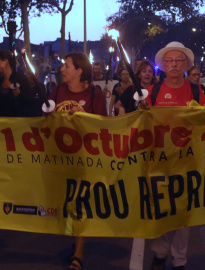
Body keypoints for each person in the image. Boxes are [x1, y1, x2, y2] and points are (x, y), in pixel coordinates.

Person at [141, 41, 205, 270]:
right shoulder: (152, 92)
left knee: (184, 213)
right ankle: (160, 253)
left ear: (186, 64)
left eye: (178, 60)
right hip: (159, 162)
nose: (174, 64)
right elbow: (141, 124)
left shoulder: (196, 90)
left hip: (187, 161)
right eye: (169, 60)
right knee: (158, 208)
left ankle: (179, 259)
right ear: (162, 65)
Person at [49, 51, 107, 270]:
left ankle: (78, 253)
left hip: (85, 160)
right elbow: (44, 119)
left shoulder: (94, 94)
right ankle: (75, 243)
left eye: (67, 66)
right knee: (67, 204)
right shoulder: (56, 92)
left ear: (79, 71)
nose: (62, 69)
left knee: (80, 203)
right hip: (60, 160)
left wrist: (84, 115)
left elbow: (104, 124)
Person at [0, 50, 34, 117]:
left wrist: (19, 94)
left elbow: (31, 102)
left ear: (6, 62)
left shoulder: (21, 79)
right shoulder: (1, 80)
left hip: (18, 123)